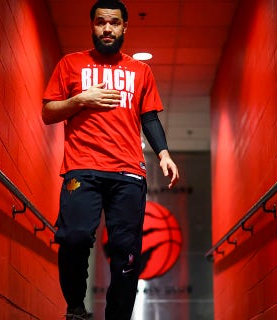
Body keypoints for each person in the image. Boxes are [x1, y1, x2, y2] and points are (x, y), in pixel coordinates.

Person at [41, 0, 179, 319]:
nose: (107, 28)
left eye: (114, 23)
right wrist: (80, 99)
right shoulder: (70, 64)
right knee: (74, 237)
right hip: (82, 167)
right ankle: (76, 307)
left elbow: (150, 119)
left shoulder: (140, 70)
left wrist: (164, 153)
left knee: (127, 254)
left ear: (124, 27)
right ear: (92, 25)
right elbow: (48, 112)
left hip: (128, 173)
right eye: (101, 22)